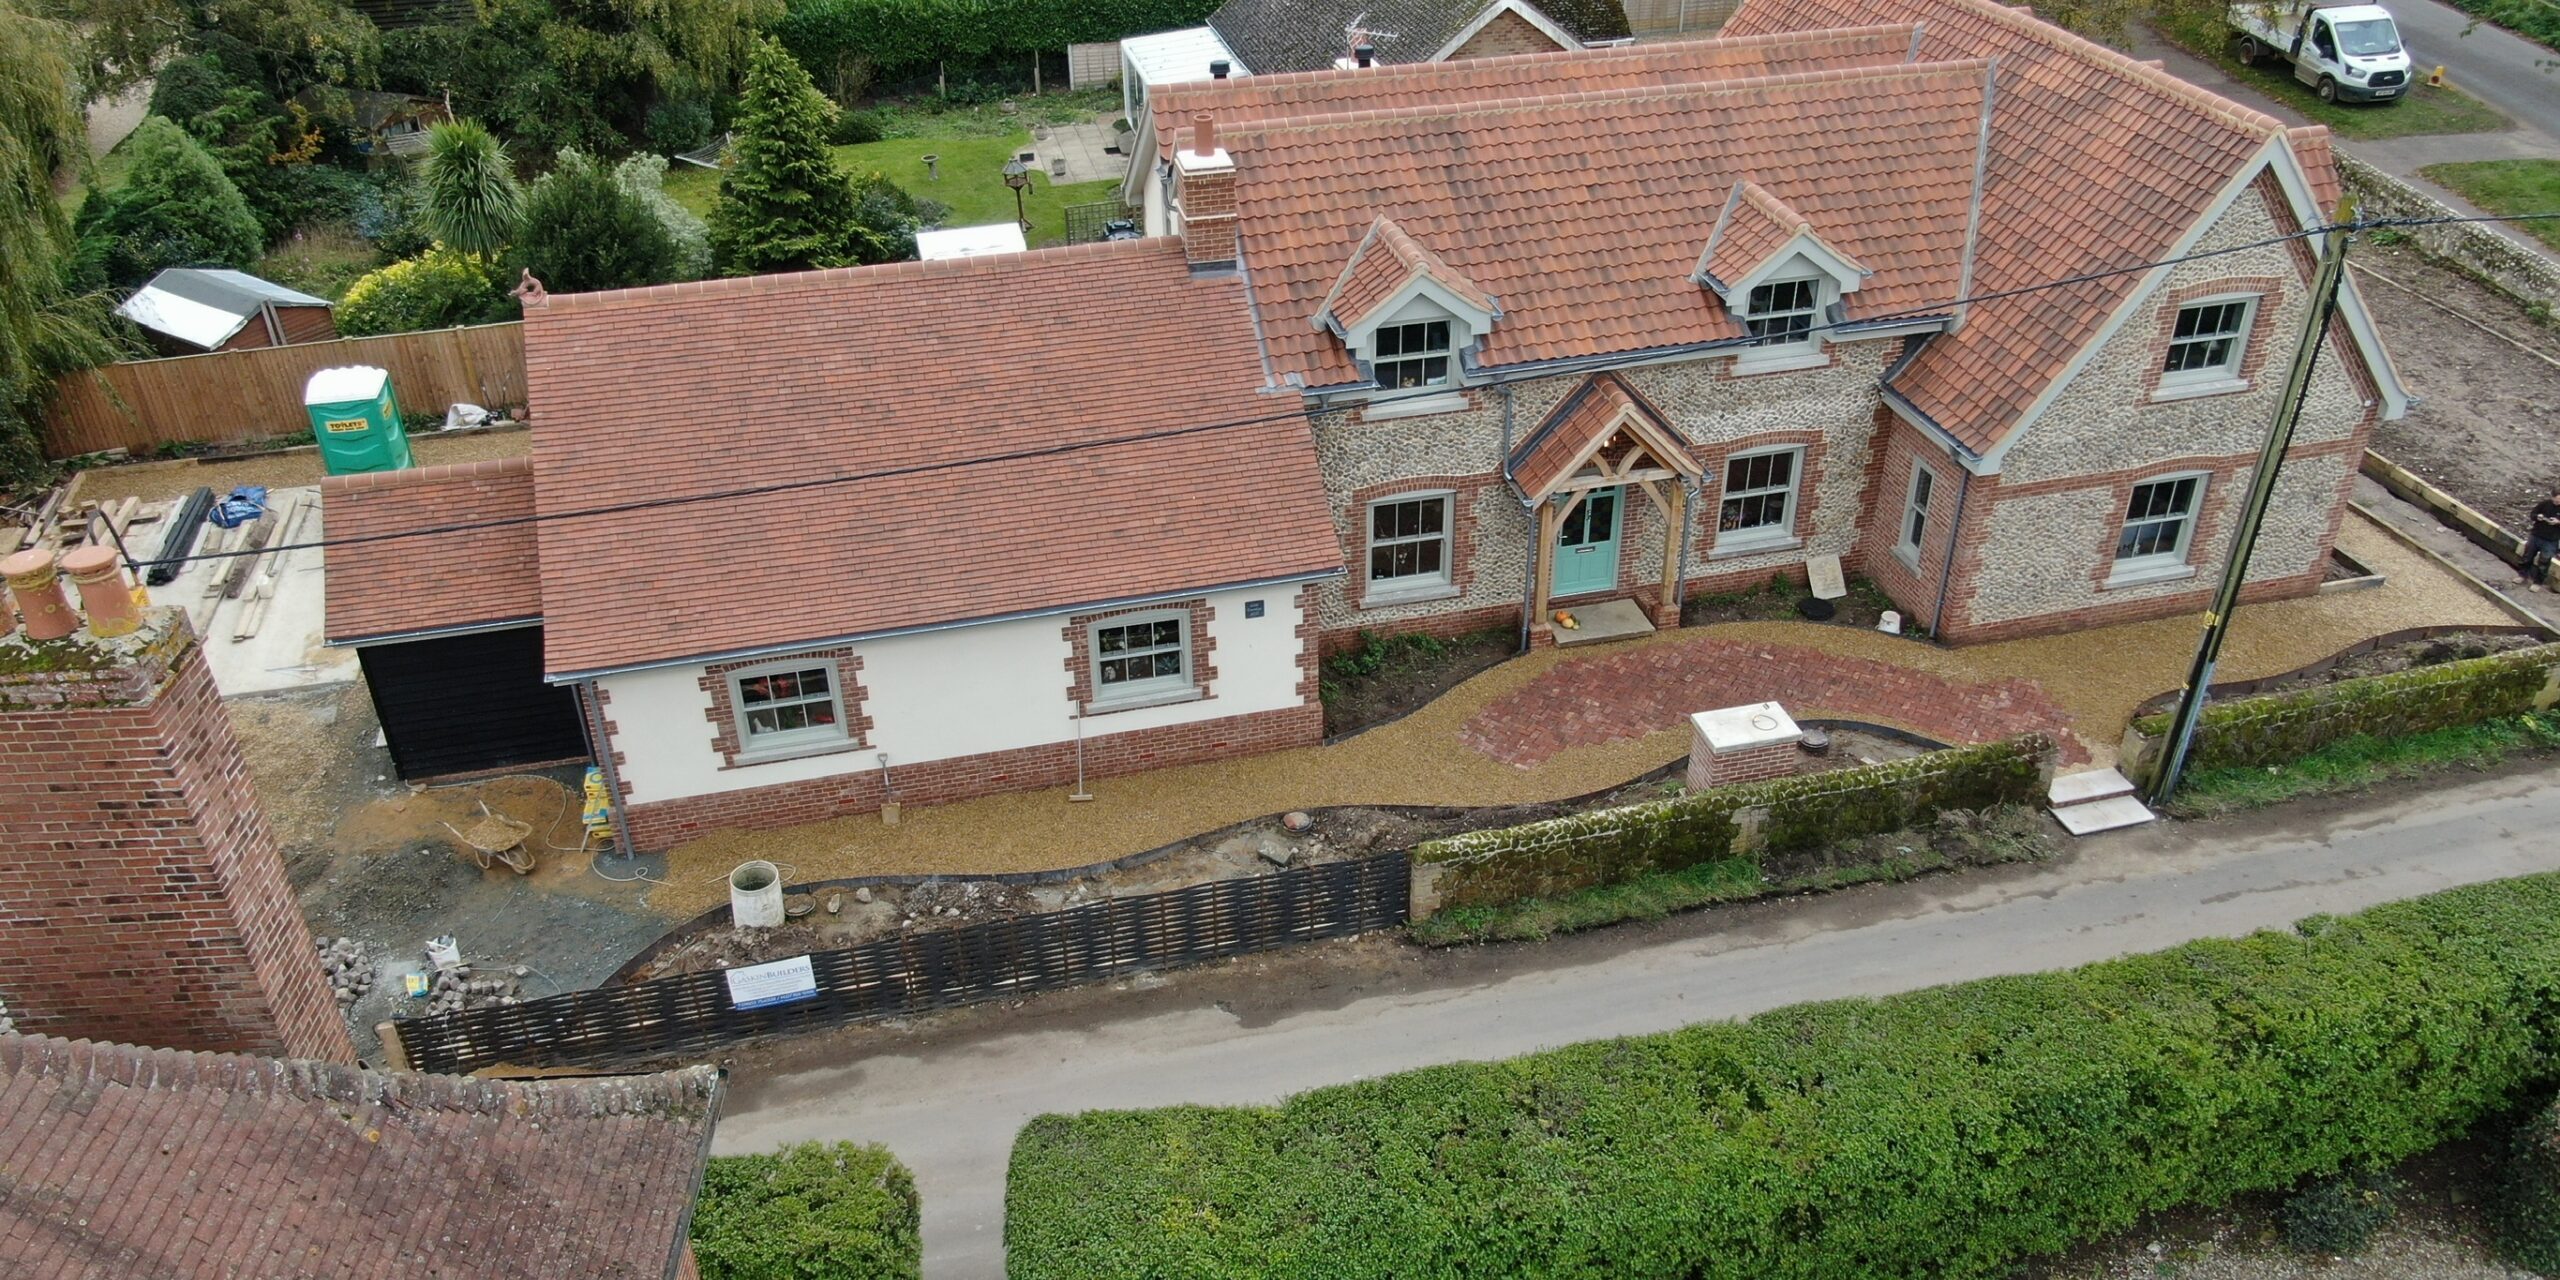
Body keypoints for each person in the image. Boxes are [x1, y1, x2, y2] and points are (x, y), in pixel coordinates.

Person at [2526, 489, 2560, 591]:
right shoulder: (2544, 504)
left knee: (2544, 562)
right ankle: (2522, 575)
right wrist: (2538, 517)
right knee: (2527, 556)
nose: (2558, 502)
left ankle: (2538, 582)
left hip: (2551, 540)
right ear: (2552, 497)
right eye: (2557, 500)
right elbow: (2533, 515)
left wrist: (2558, 522)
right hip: (2536, 535)